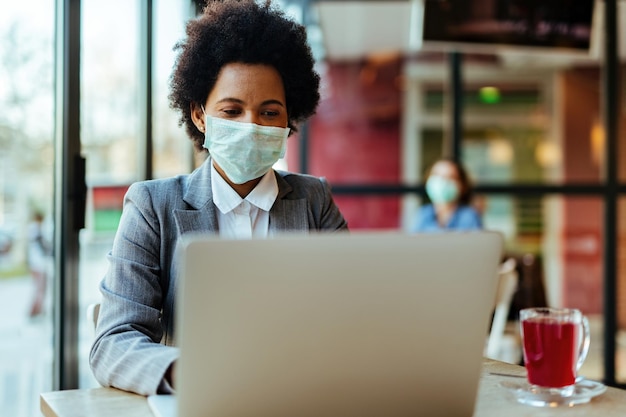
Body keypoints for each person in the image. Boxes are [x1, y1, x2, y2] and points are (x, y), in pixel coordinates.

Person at [89, 0, 348, 396]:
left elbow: (353, 314)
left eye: (269, 112)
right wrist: (191, 374)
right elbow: (113, 341)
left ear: (288, 119)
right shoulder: (152, 207)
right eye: (232, 110)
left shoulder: (315, 201)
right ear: (199, 114)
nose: (251, 125)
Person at [412, 158, 482, 232]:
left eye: (450, 177)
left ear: (462, 186)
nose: (442, 181)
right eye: (437, 175)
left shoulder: (469, 217)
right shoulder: (423, 214)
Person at [27, 211, 52, 317]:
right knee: (40, 288)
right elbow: (42, 245)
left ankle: (37, 309)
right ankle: (35, 310)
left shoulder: (34, 228)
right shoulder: (36, 229)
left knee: (39, 288)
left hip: (36, 263)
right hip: (38, 264)